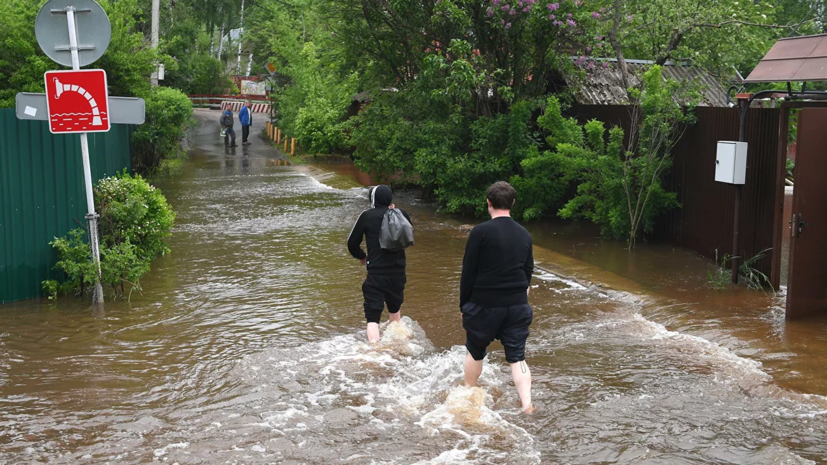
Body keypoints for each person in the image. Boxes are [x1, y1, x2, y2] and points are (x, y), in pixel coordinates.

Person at [460, 181, 535, 413]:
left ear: (488, 202)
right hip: (517, 306)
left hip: (484, 305)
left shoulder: (480, 232)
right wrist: (524, 289)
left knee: (475, 351)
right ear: (512, 203)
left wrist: (464, 304)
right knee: (517, 358)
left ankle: (468, 397)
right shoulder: (524, 234)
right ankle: (527, 404)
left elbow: (468, 271)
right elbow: (528, 269)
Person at [347, 185, 413, 343]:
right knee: (395, 315)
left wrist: (362, 256)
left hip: (376, 275)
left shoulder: (367, 216)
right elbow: (408, 235)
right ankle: (401, 345)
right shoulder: (401, 213)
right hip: (398, 274)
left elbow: (351, 244)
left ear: (373, 199)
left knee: (372, 319)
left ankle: (376, 354)